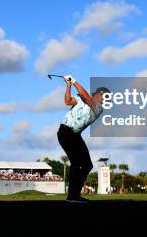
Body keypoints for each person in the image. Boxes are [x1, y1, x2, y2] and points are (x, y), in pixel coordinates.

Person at [57, 75, 109, 204]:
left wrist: (74, 81)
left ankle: (74, 194)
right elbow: (68, 101)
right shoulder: (81, 98)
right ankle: (72, 196)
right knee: (76, 163)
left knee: (87, 165)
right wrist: (69, 85)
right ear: (98, 94)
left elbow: (86, 97)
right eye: (104, 97)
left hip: (75, 135)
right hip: (65, 132)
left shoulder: (98, 108)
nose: (105, 100)